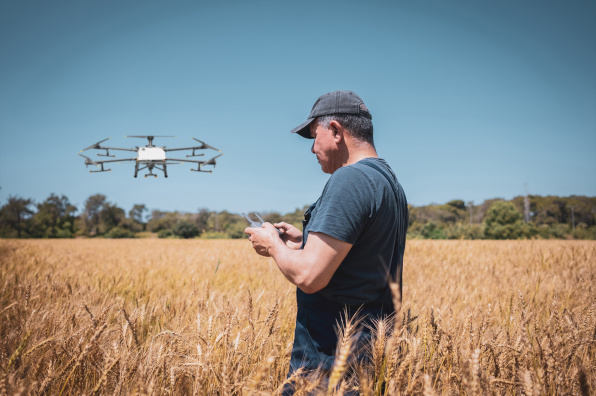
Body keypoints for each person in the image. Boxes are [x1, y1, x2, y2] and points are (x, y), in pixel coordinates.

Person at [245, 90, 408, 392]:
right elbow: (359, 259)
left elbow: (310, 276)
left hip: (329, 363)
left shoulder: (350, 180)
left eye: (313, 136)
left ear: (334, 130)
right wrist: (301, 241)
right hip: (368, 357)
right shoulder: (387, 181)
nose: (312, 149)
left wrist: (273, 244)